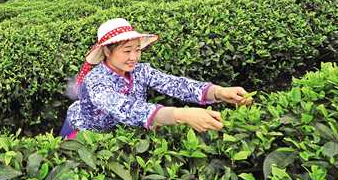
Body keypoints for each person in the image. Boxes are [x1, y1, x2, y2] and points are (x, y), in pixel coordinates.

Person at [59, 18, 252, 139]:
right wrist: (181, 115)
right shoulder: (96, 81)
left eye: (137, 50)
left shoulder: (140, 71)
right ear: (107, 51)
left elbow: (175, 84)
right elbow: (125, 107)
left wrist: (219, 92)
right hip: (86, 133)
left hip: (121, 133)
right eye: (127, 51)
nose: (134, 57)